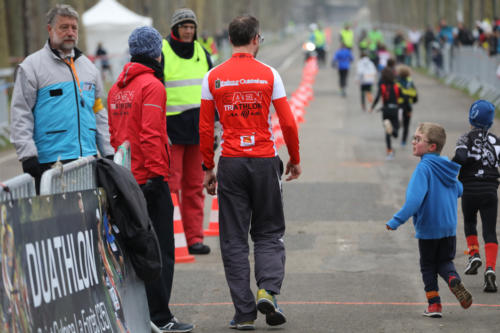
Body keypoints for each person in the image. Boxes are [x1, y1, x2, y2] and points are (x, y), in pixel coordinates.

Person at [199, 15, 301, 330]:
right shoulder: (270, 74)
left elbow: (205, 127)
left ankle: (244, 313)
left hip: (230, 162)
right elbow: (287, 122)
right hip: (264, 160)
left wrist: (207, 167)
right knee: (269, 232)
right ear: (256, 38)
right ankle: (267, 290)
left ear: (230, 40)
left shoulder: (213, 76)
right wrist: (294, 158)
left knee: (233, 239)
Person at [107, 26, 194, 333]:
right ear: (156, 52)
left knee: (132, 252)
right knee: (160, 252)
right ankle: (161, 317)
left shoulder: (117, 87)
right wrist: (159, 176)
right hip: (149, 179)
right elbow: (151, 134)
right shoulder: (152, 86)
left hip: (124, 179)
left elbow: (116, 136)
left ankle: (139, 314)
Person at [9, 4, 114, 193]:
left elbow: (98, 112)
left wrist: (107, 151)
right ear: (50, 29)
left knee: (88, 221)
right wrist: (27, 156)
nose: (70, 32)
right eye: (64, 27)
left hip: (87, 159)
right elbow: (20, 113)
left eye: (74, 28)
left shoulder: (89, 68)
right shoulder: (31, 67)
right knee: (56, 222)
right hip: (50, 163)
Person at [386, 122, 473, 318]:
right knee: (444, 261)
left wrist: (396, 221)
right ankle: (453, 279)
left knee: (427, 265)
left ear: (431, 146)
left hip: (429, 227)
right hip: (448, 227)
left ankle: (434, 305)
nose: (413, 142)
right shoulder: (448, 168)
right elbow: (459, 190)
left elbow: (414, 200)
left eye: (418, 139)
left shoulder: (423, 169)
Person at [162, 8, 213, 255]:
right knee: (171, 187)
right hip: (170, 132)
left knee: (194, 186)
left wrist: (213, 128)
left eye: (191, 27)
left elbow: (212, 90)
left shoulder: (202, 52)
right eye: (184, 27)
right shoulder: (162, 52)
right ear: (175, 29)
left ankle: (194, 238)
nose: (188, 31)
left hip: (197, 132)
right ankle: (173, 238)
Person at [452, 100, 499, 293]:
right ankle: (490, 268)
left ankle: (474, 254)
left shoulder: (465, 138)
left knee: (470, 222)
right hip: (490, 190)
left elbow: (461, 158)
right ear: (490, 121)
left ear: (471, 118)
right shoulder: (496, 140)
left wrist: (451, 166)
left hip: (469, 189)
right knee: (490, 231)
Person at [369, 67, 401, 160]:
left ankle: (389, 152)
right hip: (395, 110)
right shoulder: (396, 86)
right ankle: (393, 131)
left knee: (387, 133)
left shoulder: (382, 86)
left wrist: (372, 108)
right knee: (395, 133)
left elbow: (377, 98)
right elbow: (403, 98)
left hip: (385, 110)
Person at [396, 65, 418, 146]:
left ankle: (395, 131)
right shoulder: (410, 82)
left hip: (399, 105)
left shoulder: (396, 82)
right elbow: (415, 96)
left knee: (397, 121)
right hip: (408, 106)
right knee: (406, 124)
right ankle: (403, 141)